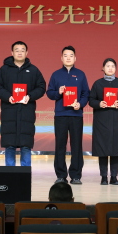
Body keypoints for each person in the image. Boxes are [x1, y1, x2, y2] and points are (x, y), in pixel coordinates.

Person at [0, 41, 46, 166]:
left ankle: (25, 174)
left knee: (26, 146)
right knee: (9, 145)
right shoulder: (4, 69)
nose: (20, 52)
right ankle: (10, 174)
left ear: (27, 53)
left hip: (27, 113)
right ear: (12, 53)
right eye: (17, 50)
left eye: (22, 50)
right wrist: (8, 96)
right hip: (9, 113)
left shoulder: (33, 70)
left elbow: (41, 87)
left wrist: (30, 96)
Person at [46, 46, 90, 185]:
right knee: (60, 145)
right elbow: (49, 93)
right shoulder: (56, 74)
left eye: (71, 55)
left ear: (75, 58)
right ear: (61, 58)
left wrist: (80, 104)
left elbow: (86, 94)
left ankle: (76, 175)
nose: (68, 58)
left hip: (76, 115)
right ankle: (61, 175)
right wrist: (58, 92)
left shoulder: (81, 74)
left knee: (76, 145)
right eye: (65, 55)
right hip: (61, 115)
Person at [88, 58, 118, 185]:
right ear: (103, 68)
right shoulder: (97, 84)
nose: (110, 68)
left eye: (112, 66)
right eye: (108, 66)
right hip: (101, 120)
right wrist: (99, 103)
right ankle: (103, 177)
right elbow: (91, 100)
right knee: (102, 149)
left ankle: (114, 177)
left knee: (116, 149)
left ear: (116, 68)